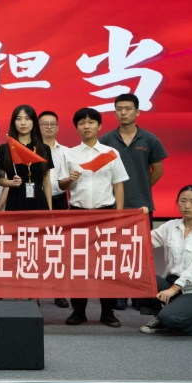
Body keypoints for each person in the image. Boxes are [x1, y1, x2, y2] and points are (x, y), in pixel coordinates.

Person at [59, 107, 130, 328]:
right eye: (81, 123)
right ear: (76, 127)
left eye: (91, 122)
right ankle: (78, 310)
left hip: (105, 213)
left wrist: (119, 216)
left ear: (99, 126)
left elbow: (118, 185)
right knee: (77, 264)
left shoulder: (111, 152)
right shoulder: (69, 153)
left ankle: (107, 312)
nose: (86, 126)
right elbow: (61, 185)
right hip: (78, 214)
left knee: (106, 264)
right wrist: (69, 179)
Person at [99, 93, 169, 311]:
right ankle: (120, 294)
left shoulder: (149, 139)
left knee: (140, 252)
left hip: (142, 206)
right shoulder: (106, 140)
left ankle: (139, 294)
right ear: (114, 113)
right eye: (119, 109)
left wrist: (141, 188)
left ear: (137, 112)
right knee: (116, 251)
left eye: (128, 109)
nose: (123, 113)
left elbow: (158, 171)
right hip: (114, 205)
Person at [139, 185, 192, 337]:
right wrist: (139, 219)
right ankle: (160, 318)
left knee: (169, 318)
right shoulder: (171, 226)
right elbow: (144, 241)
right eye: (183, 201)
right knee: (140, 277)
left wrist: (174, 289)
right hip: (171, 284)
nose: (187, 205)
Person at [38, 110, 71, 309]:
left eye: (52, 124)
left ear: (58, 127)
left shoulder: (66, 151)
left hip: (59, 201)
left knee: (58, 248)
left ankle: (59, 292)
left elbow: (69, 181)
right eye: (44, 124)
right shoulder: (32, 149)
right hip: (37, 201)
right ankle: (35, 293)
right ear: (38, 127)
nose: (49, 127)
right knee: (35, 247)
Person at [0, 105, 53, 211]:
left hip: (38, 199)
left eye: (27, 119)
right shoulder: (5, 149)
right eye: (19, 119)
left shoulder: (44, 149)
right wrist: (11, 183)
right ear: (14, 123)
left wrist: (50, 210)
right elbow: (0, 180)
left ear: (33, 122)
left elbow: (46, 182)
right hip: (15, 198)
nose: (23, 123)